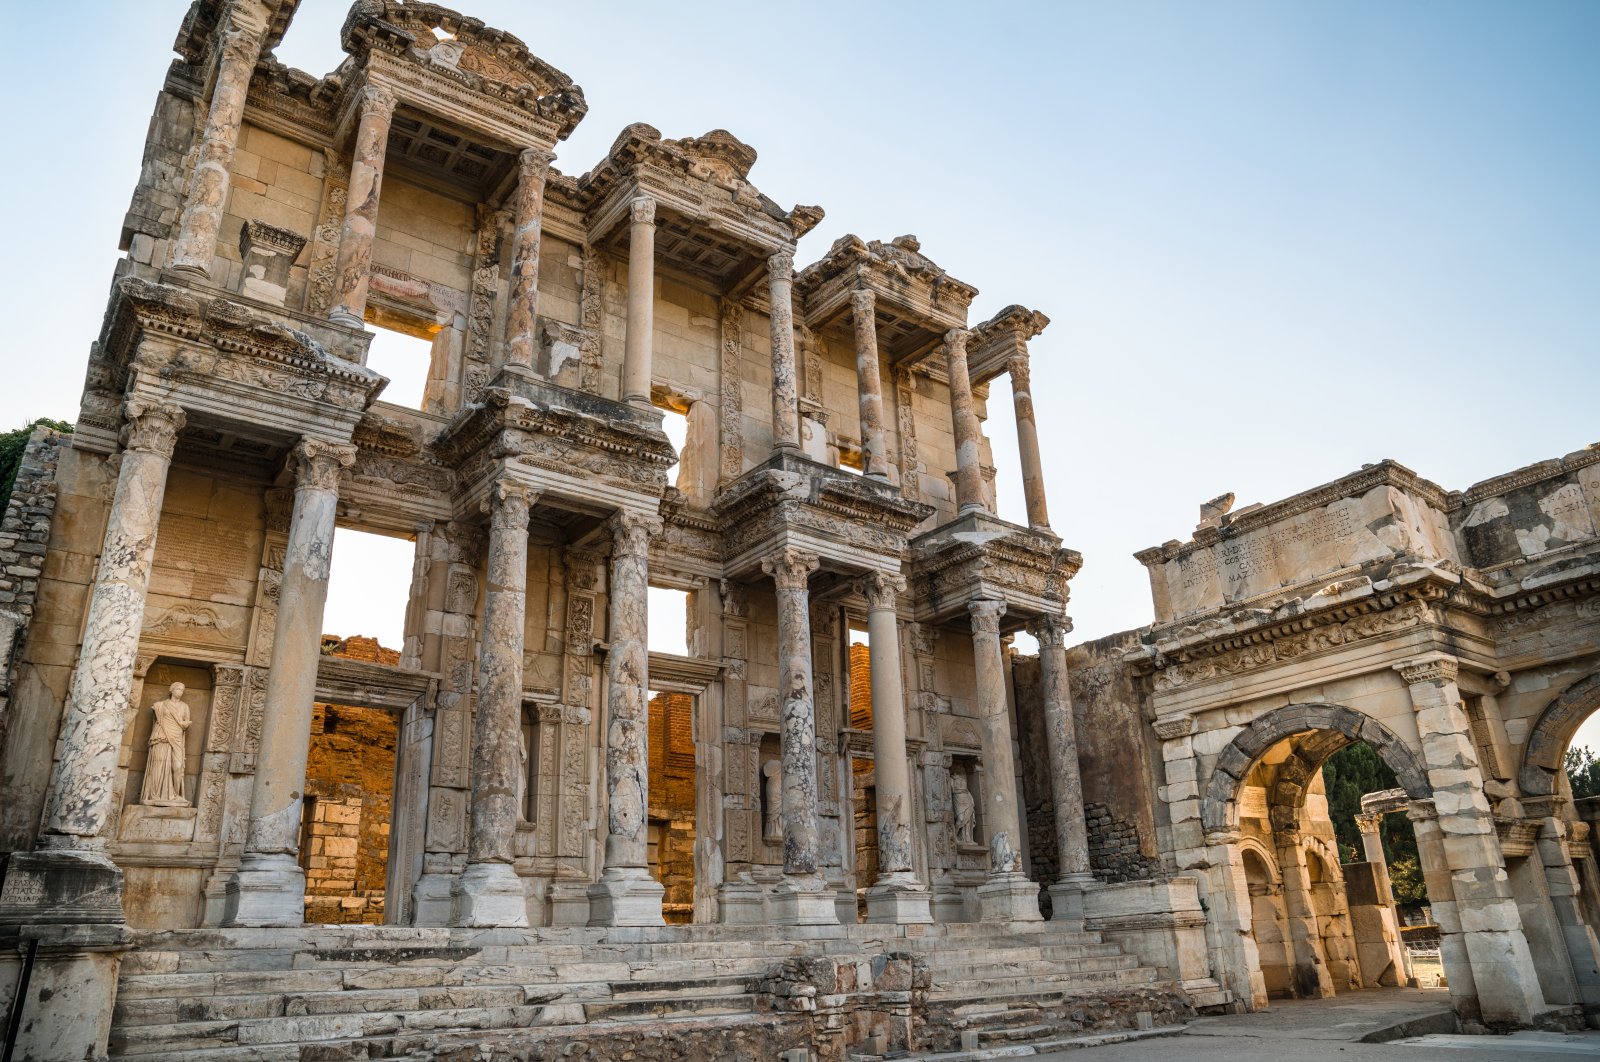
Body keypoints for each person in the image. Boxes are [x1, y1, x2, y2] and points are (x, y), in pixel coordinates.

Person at [140, 682, 192, 806]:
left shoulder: (185, 706)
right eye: (178, 689)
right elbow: (157, 719)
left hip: (177, 738)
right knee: (158, 765)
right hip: (161, 736)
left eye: (182, 690)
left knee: (178, 766)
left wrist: (185, 724)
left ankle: (175, 794)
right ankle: (155, 794)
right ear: (172, 690)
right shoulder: (160, 705)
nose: (180, 692)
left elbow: (186, 722)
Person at [952, 772, 976, 846]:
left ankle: (967, 838)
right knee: (961, 818)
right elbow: (953, 790)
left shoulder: (962, 779)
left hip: (966, 799)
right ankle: (954, 836)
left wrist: (971, 800)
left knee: (968, 819)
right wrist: (962, 790)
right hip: (957, 799)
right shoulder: (951, 780)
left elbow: (966, 790)